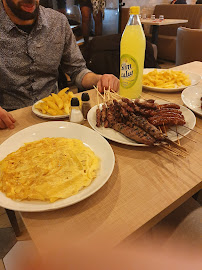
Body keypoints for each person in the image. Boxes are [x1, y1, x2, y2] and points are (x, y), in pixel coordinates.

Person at [0, 0, 119, 129]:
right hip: (9, 120)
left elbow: (77, 69)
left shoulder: (58, 22)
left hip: (56, 118)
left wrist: (99, 79)